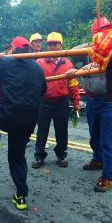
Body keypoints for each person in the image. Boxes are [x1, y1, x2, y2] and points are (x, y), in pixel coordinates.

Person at [0, 37, 46, 210]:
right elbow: (43, 91)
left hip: (6, 118)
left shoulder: (4, 62)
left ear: (13, 49)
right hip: (27, 122)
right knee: (17, 157)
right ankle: (21, 196)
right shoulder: (37, 69)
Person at [73, 17, 112, 192]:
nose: (101, 35)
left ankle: (109, 176)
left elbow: (99, 65)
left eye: (104, 31)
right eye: (97, 33)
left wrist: (79, 71)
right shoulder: (88, 49)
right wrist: (90, 45)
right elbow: (70, 52)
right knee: (94, 136)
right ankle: (98, 159)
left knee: (107, 139)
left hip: (109, 99)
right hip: (92, 99)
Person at [33, 32, 79, 168]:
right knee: (42, 130)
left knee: (62, 130)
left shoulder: (68, 63)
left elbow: (73, 85)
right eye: (50, 44)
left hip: (61, 103)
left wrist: (76, 103)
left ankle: (61, 155)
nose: (52, 46)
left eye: (55, 44)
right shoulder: (39, 62)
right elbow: (34, 84)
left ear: (61, 45)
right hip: (44, 102)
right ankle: (39, 156)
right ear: (47, 46)